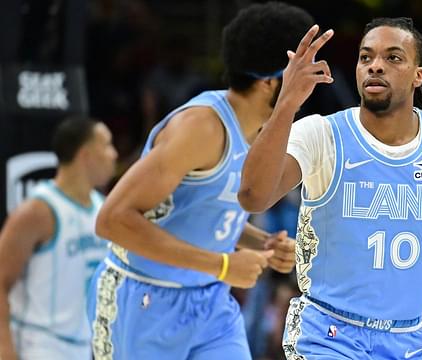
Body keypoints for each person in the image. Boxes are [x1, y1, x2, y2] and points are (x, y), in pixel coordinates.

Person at [239, 17, 422, 360]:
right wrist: (286, 105)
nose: (376, 66)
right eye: (366, 57)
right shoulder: (321, 135)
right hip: (326, 332)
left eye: (393, 58)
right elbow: (253, 196)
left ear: (418, 75)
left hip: (407, 338)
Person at [87, 3, 313, 360]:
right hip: (143, 300)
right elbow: (112, 220)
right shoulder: (202, 128)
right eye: (306, 70)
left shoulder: (262, 132)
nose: (315, 81)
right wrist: (222, 265)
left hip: (210, 304)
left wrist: (262, 242)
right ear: (272, 81)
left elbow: (201, 212)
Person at [0, 117, 117, 360]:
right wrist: (4, 348)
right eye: (106, 145)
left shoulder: (102, 209)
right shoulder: (38, 211)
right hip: (37, 346)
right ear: (85, 155)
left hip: (84, 347)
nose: (114, 154)